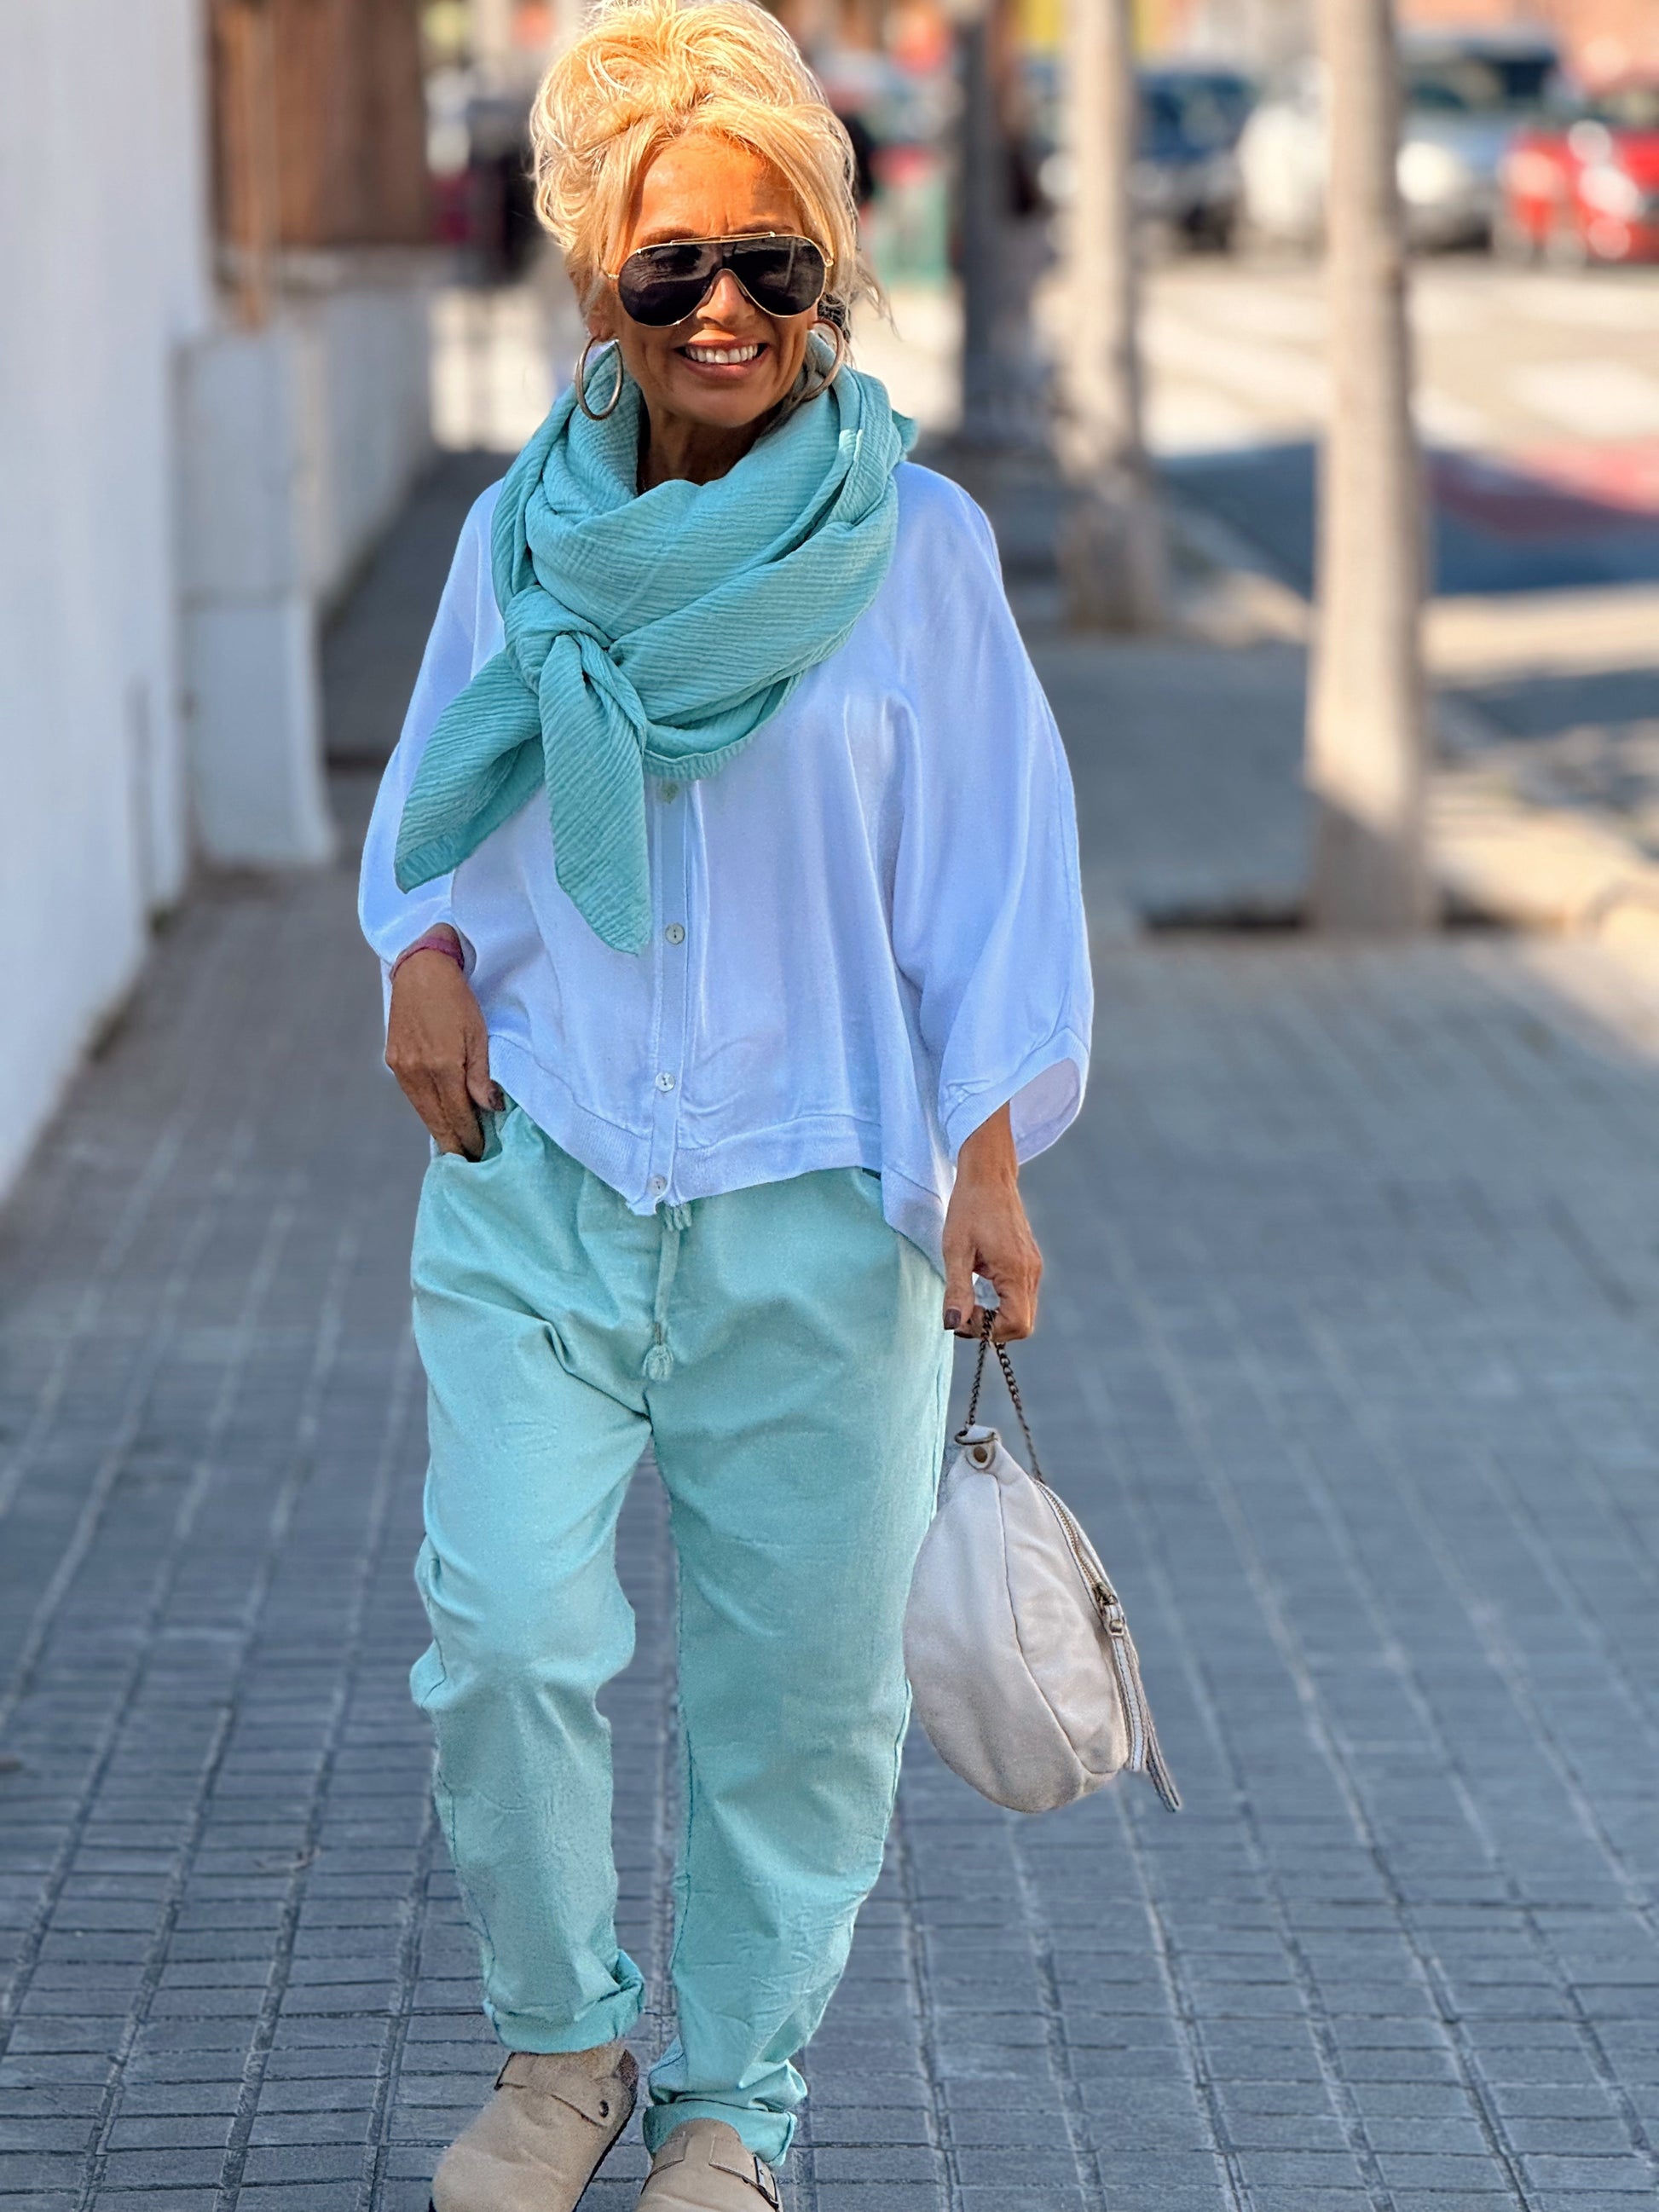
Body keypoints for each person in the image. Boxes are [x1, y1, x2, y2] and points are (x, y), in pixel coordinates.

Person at [358, 2, 1090, 2205]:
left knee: (800, 1706)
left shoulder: (918, 549)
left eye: (769, 260)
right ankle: (563, 2052)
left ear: (829, 274)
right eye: (669, 263)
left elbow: (988, 873)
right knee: (502, 1634)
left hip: (814, 1197)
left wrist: (986, 1162)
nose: (721, 308)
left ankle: (731, 2111)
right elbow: (434, 803)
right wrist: (416, 954)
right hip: (547, 1163)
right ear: (601, 278)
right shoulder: (519, 536)